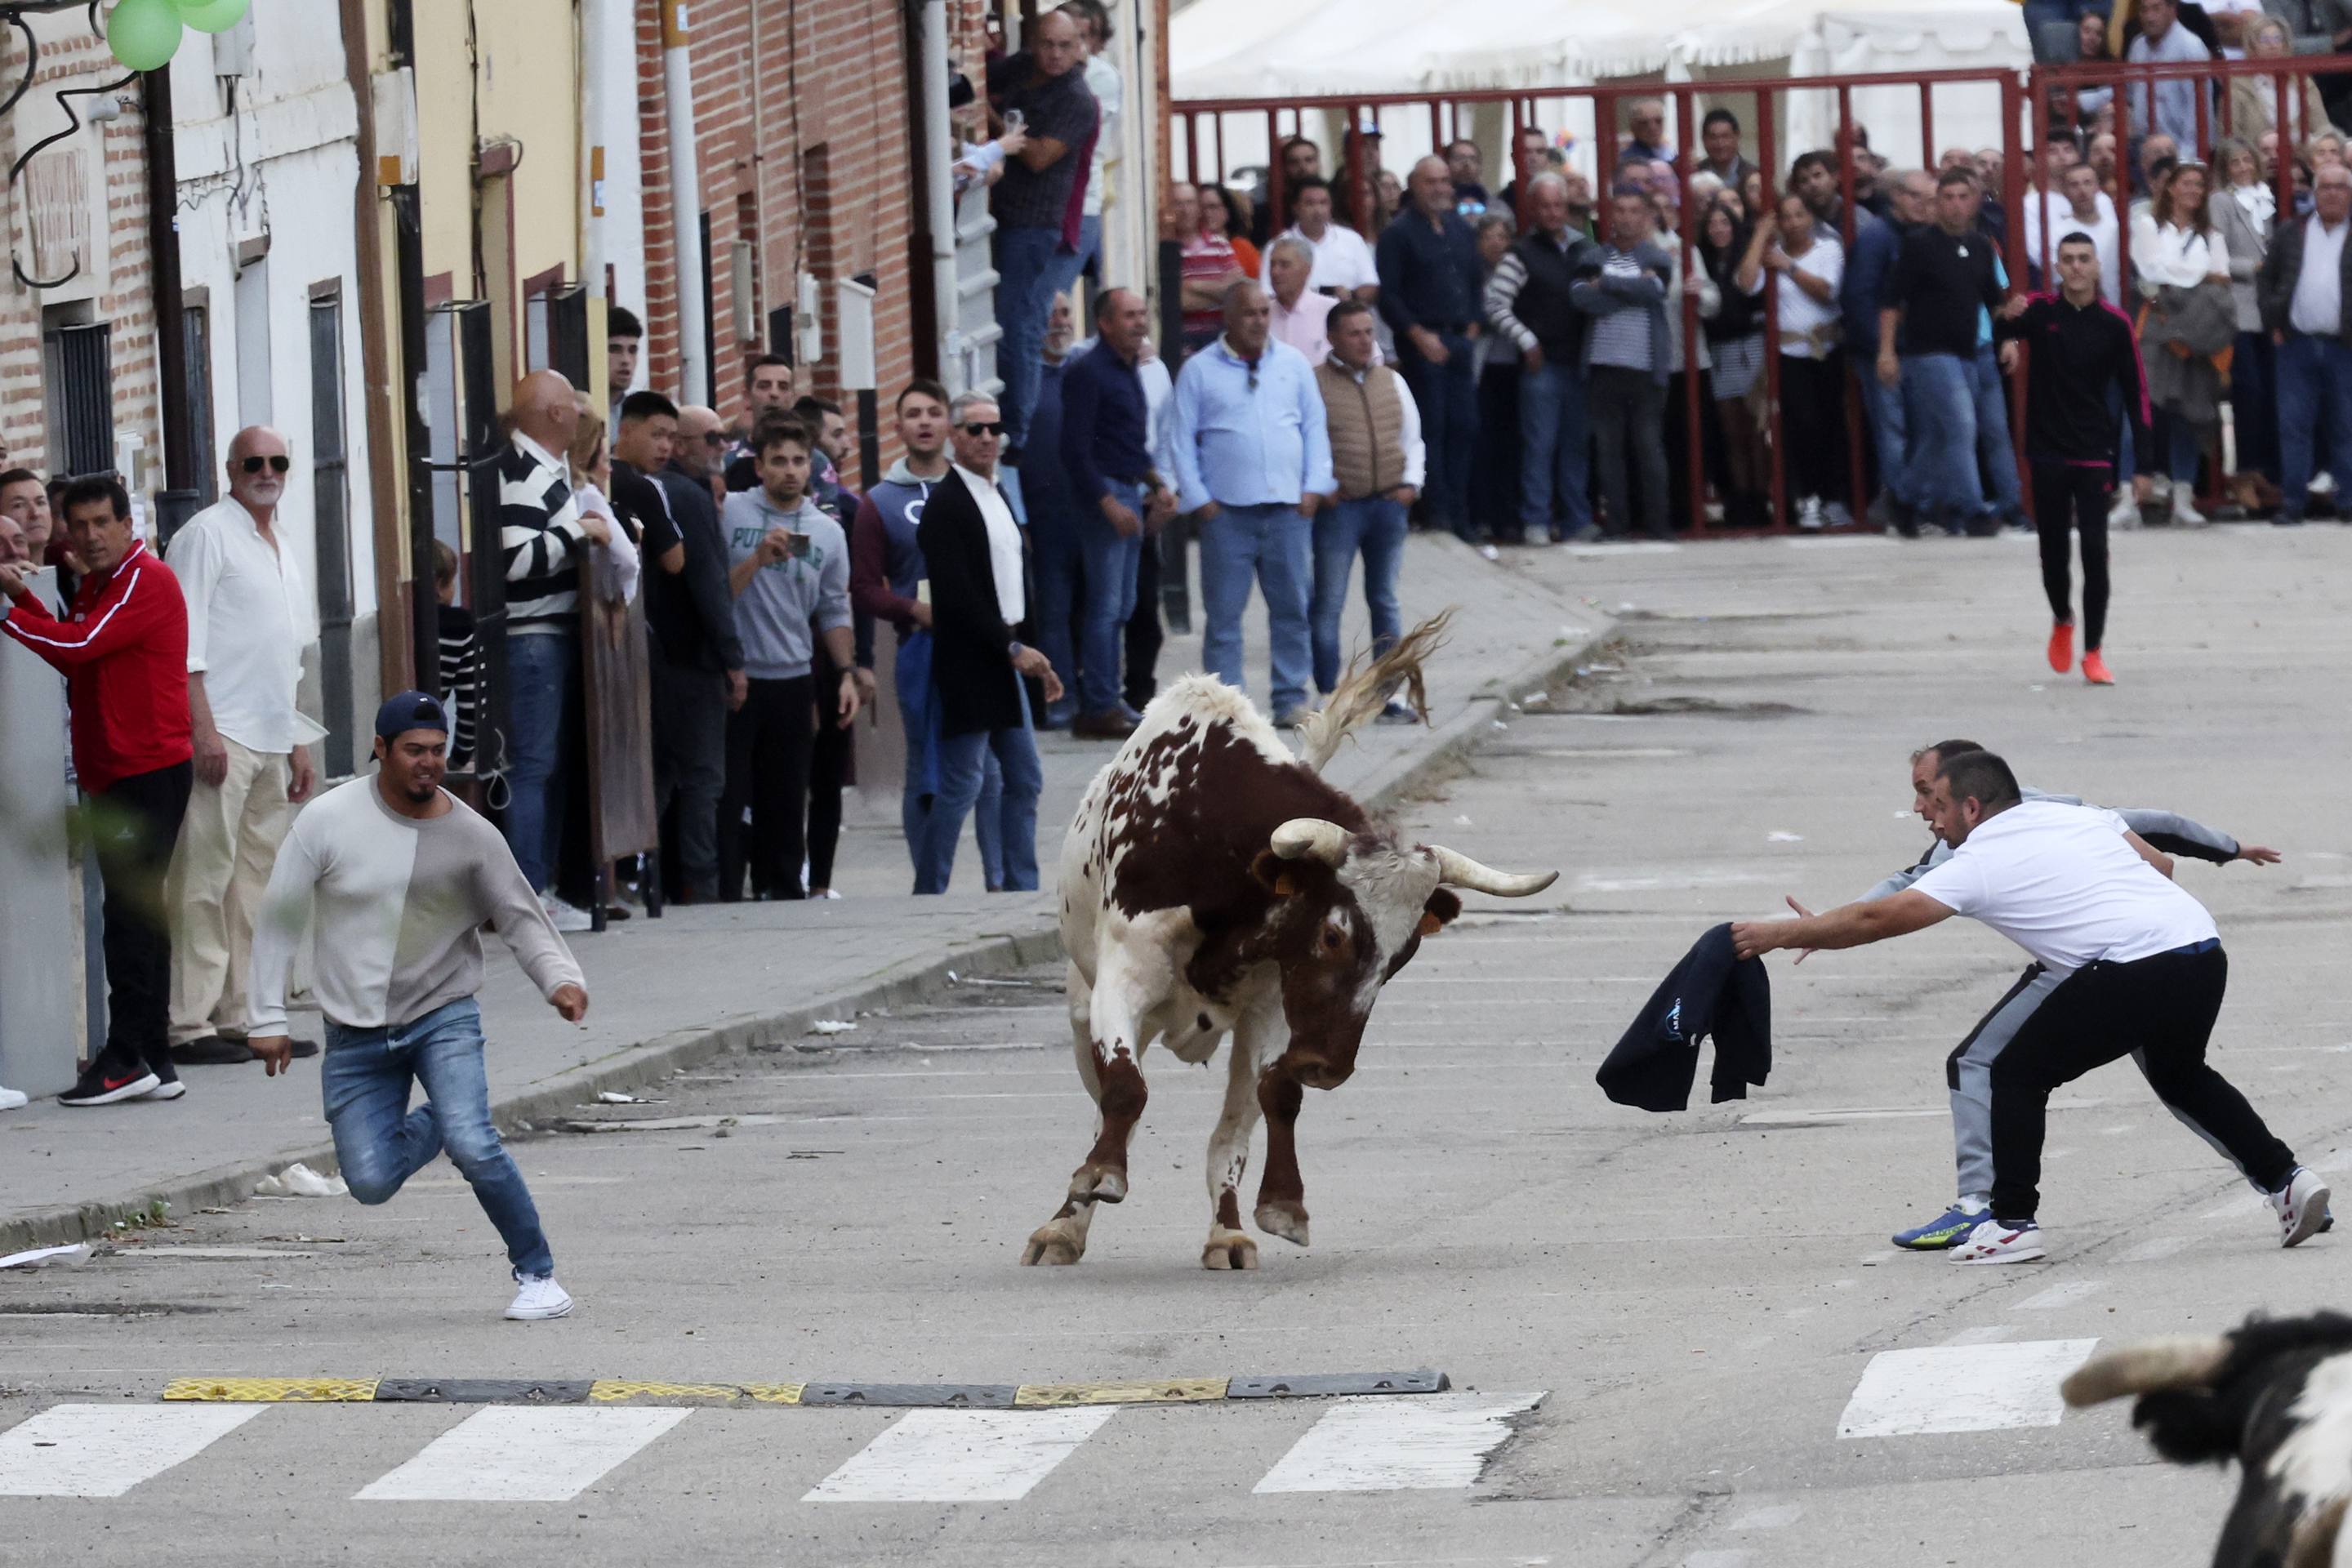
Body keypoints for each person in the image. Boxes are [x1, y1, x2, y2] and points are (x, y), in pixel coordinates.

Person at [1732, 748, 2330, 1266]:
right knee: (2183, 1076)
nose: (1928, 819)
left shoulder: (1977, 859)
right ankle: (2289, 1182)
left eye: (1935, 805)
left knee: (2008, 1071)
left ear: (1971, 808)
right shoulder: (2069, 816)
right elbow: (2161, 863)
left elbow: (1879, 918)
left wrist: (1776, 934)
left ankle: (2012, 1224)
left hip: (2128, 964)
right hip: (2198, 946)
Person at [1857, 741, 2288, 1250]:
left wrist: (1820, 929)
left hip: (2103, 962)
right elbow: (2159, 829)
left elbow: (1900, 896)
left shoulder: (1993, 828)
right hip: (2173, 949)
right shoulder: (2053, 812)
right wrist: (2227, 849)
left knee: (1989, 1065)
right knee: (2182, 1077)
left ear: (1968, 796)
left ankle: (1990, 1212)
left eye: (1928, 793)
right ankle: (2288, 1181)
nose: (1920, 809)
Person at [246, 691, 588, 1321]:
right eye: (413, 751)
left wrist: (559, 980)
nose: (428, 763)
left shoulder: (471, 835)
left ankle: (538, 1275)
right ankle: (446, 1119)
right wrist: (266, 1020)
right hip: (354, 1031)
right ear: (380, 749)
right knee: (370, 1182)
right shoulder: (326, 820)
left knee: (475, 1144)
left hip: (442, 1014)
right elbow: (277, 919)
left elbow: (522, 917)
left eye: (437, 751)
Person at [1, 477, 192, 1106]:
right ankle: (156, 1058)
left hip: (146, 768)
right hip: (114, 768)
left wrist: (9, 614)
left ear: (126, 523)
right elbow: (74, 651)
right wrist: (24, 603)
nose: (88, 536)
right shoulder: (98, 586)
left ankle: (127, 1054)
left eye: (100, 523)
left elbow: (79, 646)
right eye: (77, 525)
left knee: (128, 919)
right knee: (140, 911)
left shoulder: (143, 578)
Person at [159, 427, 323, 1067]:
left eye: (277, 461)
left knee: (256, 882)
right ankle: (187, 1020)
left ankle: (242, 1013)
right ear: (230, 469)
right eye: (253, 462)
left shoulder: (282, 541)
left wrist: (298, 739)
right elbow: (185, 643)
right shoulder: (205, 534)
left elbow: (290, 653)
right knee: (201, 878)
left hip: (271, 733)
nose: (266, 471)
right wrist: (201, 728)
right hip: (220, 729)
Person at [854, 380, 1006, 884]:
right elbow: (864, 586)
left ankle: (1004, 881)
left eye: (933, 412)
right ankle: (929, 885)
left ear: (949, 425)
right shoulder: (879, 501)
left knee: (993, 770)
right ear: (897, 428)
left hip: (984, 640)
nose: (923, 422)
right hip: (923, 645)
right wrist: (912, 611)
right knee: (926, 767)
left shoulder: (981, 487)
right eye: (912, 414)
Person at [912, 395, 1060, 894]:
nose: (985, 438)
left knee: (1025, 777)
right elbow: (958, 596)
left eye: (994, 428)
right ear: (955, 436)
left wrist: (1032, 653)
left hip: (1008, 653)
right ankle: (929, 890)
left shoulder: (999, 494)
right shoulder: (946, 505)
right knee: (963, 783)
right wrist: (1011, 649)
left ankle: (1020, 886)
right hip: (972, 658)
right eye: (974, 429)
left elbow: (1018, 584)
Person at [1170, 280, 1333, 725]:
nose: (1259, 321)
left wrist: (1314, 487)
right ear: (1228, 317)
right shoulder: (1200, 370)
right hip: (1227, 514)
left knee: (1292, 611)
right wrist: (1201, 500)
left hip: (1287, 511)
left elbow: (1315, 428)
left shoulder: (1294, 365)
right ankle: (1227, 709)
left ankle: (1290, 698)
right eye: (1249, 313)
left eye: (1265, 312)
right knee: (1224, 617)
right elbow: (1180, 439)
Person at [1993, 236, 2154, 686]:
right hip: (2046, 448)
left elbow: (2137, 393)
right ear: (2058, 266)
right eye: (2069, 260)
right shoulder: (2041, 311)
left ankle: (2094, 650)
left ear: (2097, 266)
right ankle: (2063, 617)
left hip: (2093, 451)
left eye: (2084, 259)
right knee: (2054, 552)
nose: (2077, 267)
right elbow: (1998, 325)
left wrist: (2143, 464)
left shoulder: (2115, 323)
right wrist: (2006, 332)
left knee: (2094, 552)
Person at [719, 417, 860, 900]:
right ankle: (724, 889)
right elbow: (716, 595)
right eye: (778, 461)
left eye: (799, 461)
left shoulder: (826, 532)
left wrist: (845, 672)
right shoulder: (731, 512)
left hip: (794, 678)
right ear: (758, 466)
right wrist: (755, 560)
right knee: (732, 792)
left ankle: (781, 890)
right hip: (737, 675)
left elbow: (835, 609)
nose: (790, 471)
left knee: (785, 795)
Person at [616, 392, 742, 906]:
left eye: (672, 436)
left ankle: (643, 882)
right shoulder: (680, 495)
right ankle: (700, 888)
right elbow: (709, 584)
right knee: (701, 779)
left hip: (638, 660)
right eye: (659, 435)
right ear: (627, 430)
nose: (666, 446)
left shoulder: (609, 488)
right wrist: (733, 659)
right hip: (687, 660)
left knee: (661, 776)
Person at [496, 369, 611, 931]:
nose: (581, 413)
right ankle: (528, 897)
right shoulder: (522, 475)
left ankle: (539, 889)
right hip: (532, 639)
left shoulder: (546, 470)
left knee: (545, 768)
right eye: (571, 403)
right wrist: (580, 532)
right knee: (532, 769)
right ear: (556, 414)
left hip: (550, 637)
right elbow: (513, 560)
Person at [1058, 286, 1176, 739]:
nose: (1139, 323)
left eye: (1142, 315)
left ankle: (1111, 699)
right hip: (1105, 497)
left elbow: (1129, 444)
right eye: (1128, 316)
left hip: (1131, 488)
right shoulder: (1088, 372)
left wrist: (1157, 484)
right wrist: (1106, 502)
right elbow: (1074, 448)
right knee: (1105, 607)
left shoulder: (1132, 369)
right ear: (1104, 323)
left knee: (1123, 605)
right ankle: (1098, 707)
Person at [986, 9, 1098, 457]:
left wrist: (991, 123)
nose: (1054, 54)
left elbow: (1038, 156)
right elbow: (985, 74)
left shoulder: (1077, 99)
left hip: (1035, 225)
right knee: (1004, 319)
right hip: (1000, 212)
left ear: (1079, 49)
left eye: (1065, 46)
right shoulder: (1022, 68)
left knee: (1020, 323)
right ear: (1034, 42)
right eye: (1047, 44)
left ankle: (1015, 428)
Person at [1879, 167, 2011, 535]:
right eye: (1947, 197)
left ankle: (1904, 499)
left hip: (1968, 352)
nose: (1955, 205)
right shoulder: (1920, 244)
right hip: (1928, 353)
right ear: (1938, 203)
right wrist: (1886, 351)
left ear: (1974, 202)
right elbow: (1891, 300)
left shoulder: (1982, 246)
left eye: (1962, 197)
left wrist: (2010, 337)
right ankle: (1972, 509)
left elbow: (1994, 301)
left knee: (1939, 437)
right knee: (1962, 425)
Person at [1311, 299, 1422, 719]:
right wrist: (1323, 487)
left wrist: (1412, 483)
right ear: (1333, 338)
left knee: (1385, 599)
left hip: (1388, 506)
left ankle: (1387, 695)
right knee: (1328, 601)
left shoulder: (1390, 382)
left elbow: (1413, 437)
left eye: (1368, 331)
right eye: (1353, 333)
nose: (1363, 340)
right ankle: (1327, 691)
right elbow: (1308, 441)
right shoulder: (1315, 383)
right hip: (1341, 509)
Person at [1486, 173, 1597, 545]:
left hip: (1579, 364)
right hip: (1542, 366)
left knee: (1576, 447)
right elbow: (1494, 303)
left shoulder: (1584, 249)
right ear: (1533, 209)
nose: (1553, 213)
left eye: (1558, 205)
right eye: (1545, 206)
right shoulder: (1521, 254)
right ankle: (1535, 519)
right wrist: (1526, 341)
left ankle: (1576, 520)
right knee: (1539, 446)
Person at [1376, 156, 1483, 542]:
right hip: (1423, 344)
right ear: (1414, 186)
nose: (1439, 188)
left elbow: (1474, 280)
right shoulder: (1398, 234)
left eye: (1444, 181)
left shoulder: (1459, 227)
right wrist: (1419, 336)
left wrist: (1472, 327)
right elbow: (1389, 296)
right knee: (1431, 429)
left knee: (1465, 427)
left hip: (1459, 341)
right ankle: (1439, 514)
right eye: (1430, 181)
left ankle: (1462, 511)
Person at [1572, 186, 1676, 539]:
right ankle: (1616, 525)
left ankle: (1659, 526)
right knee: (1609, 452)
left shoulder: (1657, 257)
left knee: (1648, 449)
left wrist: (1607, 284)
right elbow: (1580, 298)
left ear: (1647, 217)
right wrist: (1627, 291)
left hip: (1646, 369)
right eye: (1621, 210)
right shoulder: (1593, 256)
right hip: (1603, 368)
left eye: (1635, 211)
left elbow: (1656, 291)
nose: (1627, 218)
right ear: (1611, 216)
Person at [1741, 193, 1849, 528]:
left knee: (1832, 425)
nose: (1793, 223)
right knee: (1801, 426)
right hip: (1789, 354)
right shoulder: (1770, 254)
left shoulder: (1827, 250)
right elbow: (1746, 284)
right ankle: (1805, 499)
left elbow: (1827, 291)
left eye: (1799, 215)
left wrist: (1788, 266)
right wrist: (1761, 236)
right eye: (1785, 217)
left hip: (1827, 351)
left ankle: (1833, 498)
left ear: (1810, 218)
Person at [2133, 159, 2232, 525]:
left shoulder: (2212, 233)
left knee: (2190, 414)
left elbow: (2220, 277)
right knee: (2145, 412)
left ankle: (2184, 497)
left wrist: (2179, 274)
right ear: (2171, 188)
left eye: (2199, 185)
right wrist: (2198, 274)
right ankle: (2134, 496)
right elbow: (2148, 269)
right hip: (2158, 326)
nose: (2194, 190)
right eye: (2187, 183)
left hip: (2198, 329)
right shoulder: (2148, 224)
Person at [2258, 161, 2352, 526]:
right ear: (2314, 194)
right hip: (2295, 346)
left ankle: (2348, 502)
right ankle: (2293, 503)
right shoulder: (2291, 232)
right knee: (2293, 426)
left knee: (2346, 426)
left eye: (2340, 187)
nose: (2332, 194)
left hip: (2344, 347)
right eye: (2325, 187)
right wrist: (2274, 324)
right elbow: (2267, 281)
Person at [1846, 169, 1925, 532]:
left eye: (1929, 197)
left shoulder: (1921, 234)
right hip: (1885, 352)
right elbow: (1860, 298)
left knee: (1919, 430)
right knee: (1893, 430)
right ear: (1895, 197)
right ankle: (1899, 504)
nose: (1923, 204)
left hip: (1918, 350)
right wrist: (1883, 348)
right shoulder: (1877, 237)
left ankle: (1914, 501)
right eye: (1914, 196)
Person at [2210, 136, 2283, 512]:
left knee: (2270, 392)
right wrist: (2255, 268)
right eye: (2234, 163)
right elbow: (2217, 253)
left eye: (2245, 160)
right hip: (2238, 308)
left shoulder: (2265, 198)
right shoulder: (2222, 201)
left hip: (2266, 308)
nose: (2242, 168)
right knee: (2248, 393)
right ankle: (2244, 472)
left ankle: (2267, 472)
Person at [1695, 198, 1771, 530]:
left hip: (1750, 346)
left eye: (1724, 222)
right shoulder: (1702, 261)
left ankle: (1762, 497)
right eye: (1712, 224)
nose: (1718, 229)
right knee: (1732, 434)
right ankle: (1740, 499)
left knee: (1756, 431)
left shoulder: (1746, 257)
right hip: (1720, 351)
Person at [1258, 176, 1379, 300]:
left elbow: (1371, 285)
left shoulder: (1352, 239)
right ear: (1295, 208)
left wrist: (1350, 295)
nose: (1318, 210)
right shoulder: (1277, 246)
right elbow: (1267, 294)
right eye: (1310, 204)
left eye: (1323, 203)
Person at [2232, 16, 2336, 147]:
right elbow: (2231, 139)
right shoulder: (2237, 86)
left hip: (2304, 157)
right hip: (2259, 161)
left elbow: (2322, 126)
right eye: (2264, 40)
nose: (2273, 45)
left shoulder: (2302, 81)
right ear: (2252, 45)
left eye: (2278, 39)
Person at [2127, 0, 2214, 154]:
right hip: (2142, 149)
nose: (2149, 17)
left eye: (2156, 9)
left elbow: (2197, 110)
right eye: (2144, 10)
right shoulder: (2138, 46)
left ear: (2172, 10)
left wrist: (2187, 159)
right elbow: (2127, 91)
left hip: (2178, 150)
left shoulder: (2190, 47)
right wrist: (2085, 100)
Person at [1176, 180, 1246, 349]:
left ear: (1198, 208)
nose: (1185, 210)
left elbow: (1237, 292)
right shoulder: (1167, 250)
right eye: (1178, 204)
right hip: (1184, 340)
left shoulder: (1221, 245)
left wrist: (1191, 285)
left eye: (1190, 203)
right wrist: (1221, 290)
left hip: (1220, 338)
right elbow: (1178, 301)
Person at [430, 541, 480, 772]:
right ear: (440, 585)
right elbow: (472, 704)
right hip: (427, 738)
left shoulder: (402, 624)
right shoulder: (459, 628)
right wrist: (459, 757)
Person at [724, 355, 796, 491]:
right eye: (764, 386)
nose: (774, 393)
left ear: (792, 397)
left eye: (783, 387)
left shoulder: (813, 461)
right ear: (747, 396)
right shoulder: (726, 459)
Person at [1266, 237, 1337, 364]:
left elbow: (1372, 358)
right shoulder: (1261, 315)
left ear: (1307, 270)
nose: (1275, 272)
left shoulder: (1331, 311)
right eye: (1272, 265)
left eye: (1284, 265)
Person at [606, 305, 643, 436]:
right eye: (615, 350)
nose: (626, 360)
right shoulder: (580, 414)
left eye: (632, 350)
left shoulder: (640, 412)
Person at [1697, 109, 1757, 189]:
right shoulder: (1696, 174)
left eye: (1725, 137)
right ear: (1704, 140)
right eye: (1713, 137)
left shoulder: (1753, 175)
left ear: (1737, 137)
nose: (1720, 144)